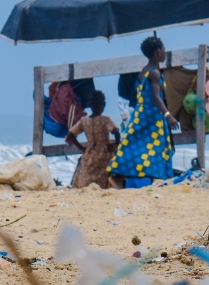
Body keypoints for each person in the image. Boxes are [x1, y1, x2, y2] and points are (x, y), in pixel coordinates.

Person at [107, 35, 179, 188]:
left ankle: (118, 174)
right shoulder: (154, 73)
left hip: (140, 115)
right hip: (152, 117)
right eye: (164, 49)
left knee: (134, 145)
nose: (165, 52)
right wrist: (168, 116)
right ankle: (157, 179)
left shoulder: (143, 72)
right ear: (158, 52)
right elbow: (156, 97)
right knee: (156, 148)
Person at [69, 91, 118, 188]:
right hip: (105, 152)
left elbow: (71, 135)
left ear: (89, 105)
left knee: (86, 177)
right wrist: (115, 144)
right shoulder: (105, 119)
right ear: (103, 104)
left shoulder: (84, 121)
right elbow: (116, 132)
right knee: (105, 176)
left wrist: (82, 148)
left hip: (90, 152)